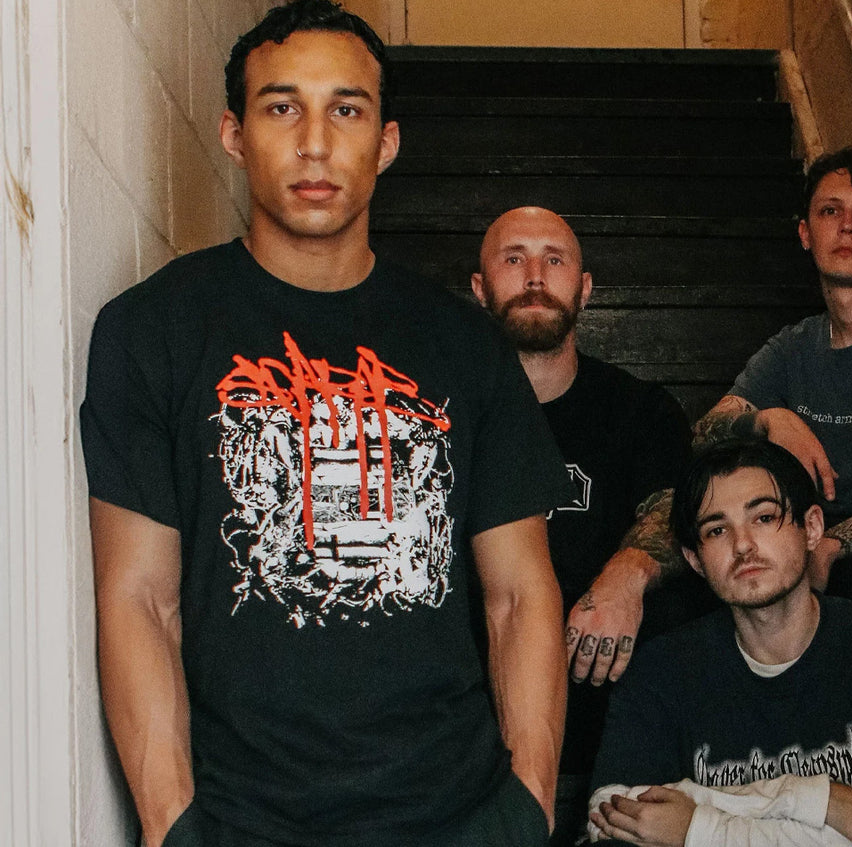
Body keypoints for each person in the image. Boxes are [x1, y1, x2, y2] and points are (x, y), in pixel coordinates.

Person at [80, 3, 569, 845]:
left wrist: (528, 809)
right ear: (234, 134)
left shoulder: (463, 345)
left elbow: (521, 596)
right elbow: (138, 599)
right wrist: (172, 825)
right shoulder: (152, 328)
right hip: (241, 823)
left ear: (386, 141)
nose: (315, 142)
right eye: (282, 106)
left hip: (456, 816)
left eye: (346, 109)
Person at [564, 149, 852, 694]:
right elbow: (703, 435)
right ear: (805, 233)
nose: (847, 225)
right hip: (784, 541)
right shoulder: (792, 347)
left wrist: (831, 544)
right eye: (830, 211)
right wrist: (767, 421)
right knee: (685, 572)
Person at [471, 206, 701, 846]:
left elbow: (673, 510)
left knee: (676, 604)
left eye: (554, 259)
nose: (535, 276)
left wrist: (627, 575)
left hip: (605, 666)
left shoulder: (638, 410)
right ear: (480, 288)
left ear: (585, 287)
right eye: (513, 259)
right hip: (479, 669)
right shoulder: (445, 413)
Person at [588, 438, 852, 847]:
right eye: (717, 530)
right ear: (695, 560)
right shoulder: (661, 670)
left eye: (763, 517)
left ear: (812, 528)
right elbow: (609, 815)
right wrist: (818, 800)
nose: (742, 544)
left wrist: (698, 829)